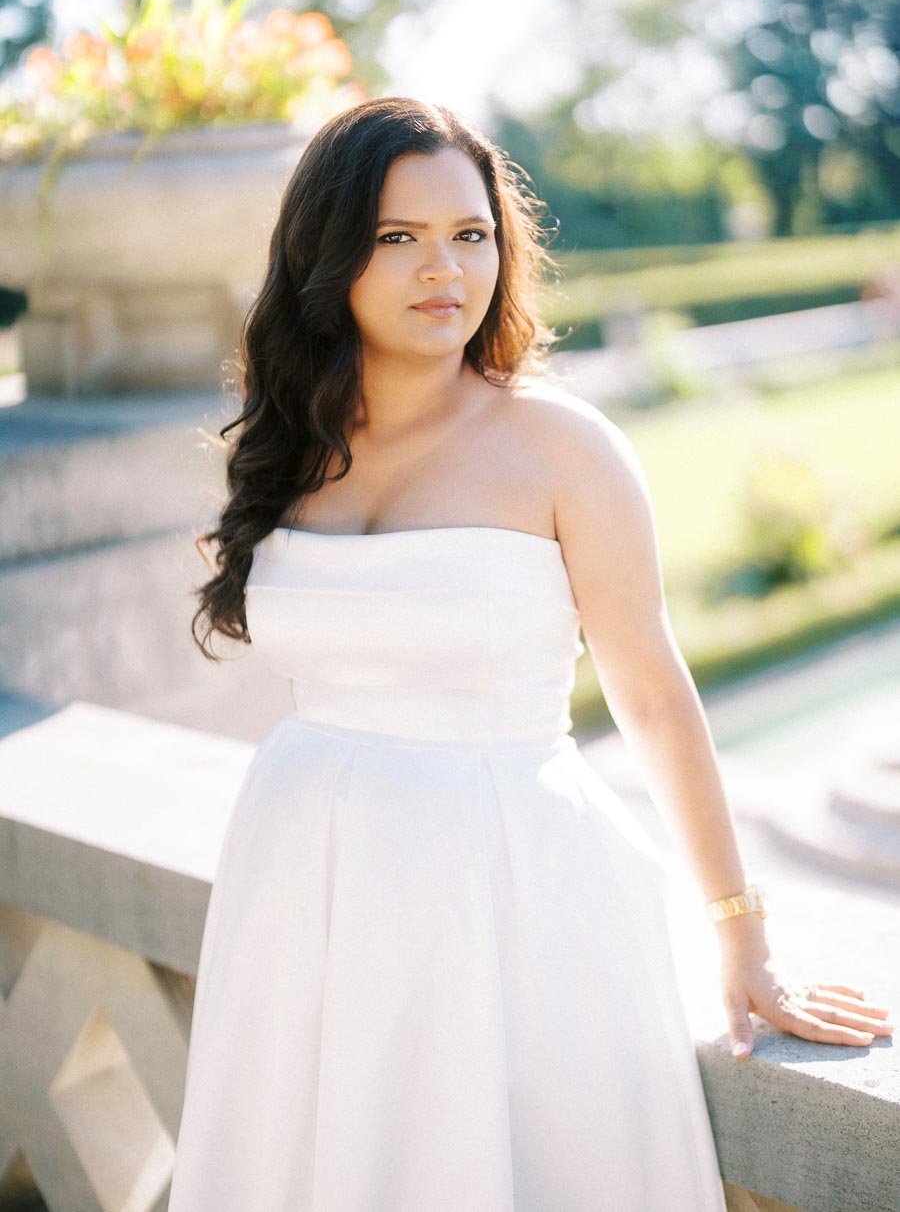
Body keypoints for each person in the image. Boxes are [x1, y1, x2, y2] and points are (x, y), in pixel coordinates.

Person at [169, 96, 893, 1211]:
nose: (441, 269)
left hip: (506, 894)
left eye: (469, 234)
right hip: (300, 889)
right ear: (329, 255)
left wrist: (744, 940)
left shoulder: (560, 444)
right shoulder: (292, 443)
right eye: (397, 238)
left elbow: (653, 696)